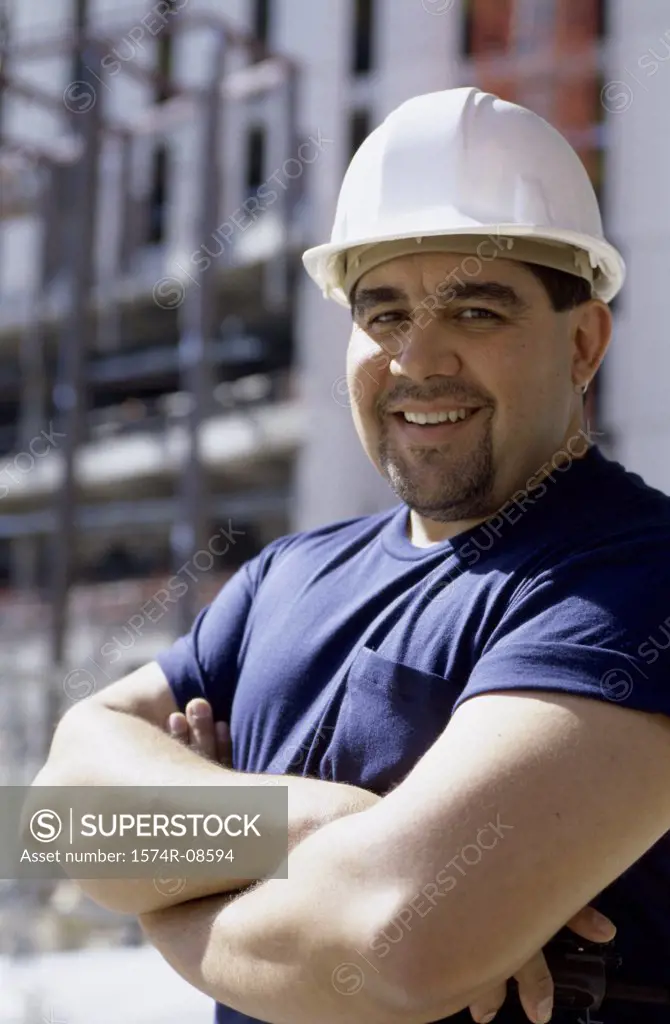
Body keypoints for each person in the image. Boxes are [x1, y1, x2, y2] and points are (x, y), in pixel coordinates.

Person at [35, 87, 670, 1024]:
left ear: (584, 341)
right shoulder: (281, 579)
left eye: (478, 313)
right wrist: (337, 827)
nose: (418, 360)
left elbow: (396, 950)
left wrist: (171, 909)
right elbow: (60, 823)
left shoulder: (633, 581)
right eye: (383, 314)